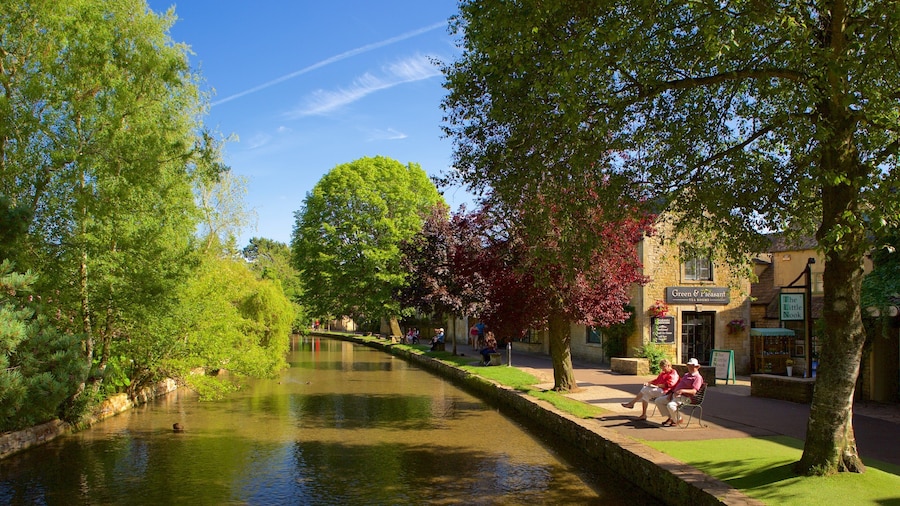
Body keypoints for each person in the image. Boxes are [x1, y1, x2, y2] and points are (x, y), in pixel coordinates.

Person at [654, 358, 704, 427]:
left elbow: (694, 391)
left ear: (696, 367)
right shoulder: (686, 375)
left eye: (692, 365)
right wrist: (671, 393)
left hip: (687, 397)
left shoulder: (697, 377)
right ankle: (672, 417)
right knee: (658, 401)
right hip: (676, 395)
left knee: (670, 405)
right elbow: (678, 385)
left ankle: (678, 419)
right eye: (689, 365)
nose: (689, 367)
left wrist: (682, 390)